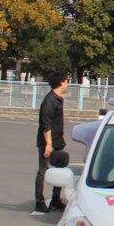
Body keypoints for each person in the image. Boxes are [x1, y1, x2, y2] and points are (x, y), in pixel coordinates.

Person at [34, 71, 69, 214]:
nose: (68, 84)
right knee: (43, 170)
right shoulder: (49, 100)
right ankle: (39, 201)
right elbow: (45, 124)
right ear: (61, 82)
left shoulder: (58, 99)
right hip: (48, 141)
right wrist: (48, 144)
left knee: (59, 170)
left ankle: (55, 199)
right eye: (67, 81)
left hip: (57, 140)